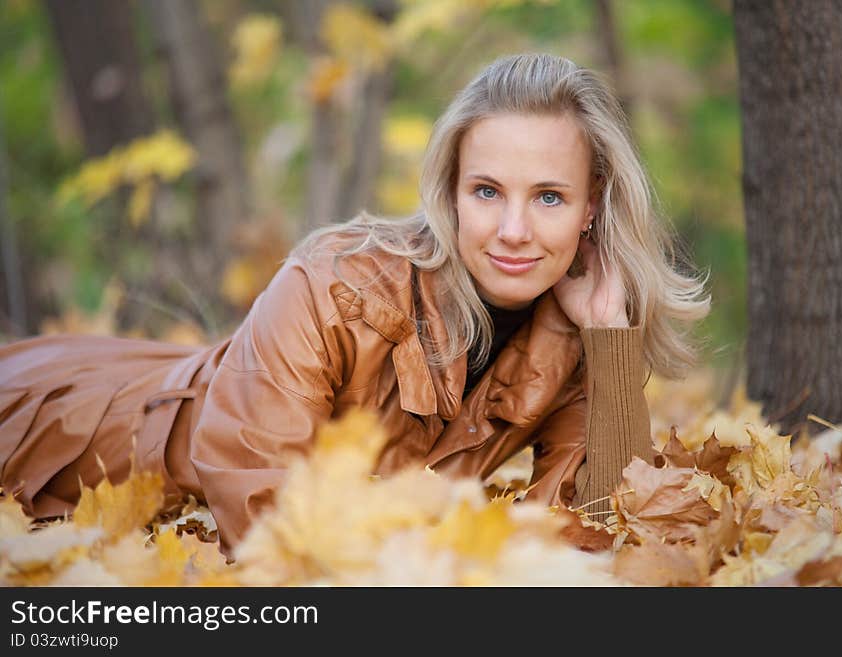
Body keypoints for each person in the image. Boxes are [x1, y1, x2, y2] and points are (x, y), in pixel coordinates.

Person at [0, 53, 710, 557]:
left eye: (548, 197)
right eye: (487, 191)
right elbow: (261, 504)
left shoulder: (582, 327)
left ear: (592, 208)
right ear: (450, 193)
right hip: (73, 433)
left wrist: (612, 345)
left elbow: (603, 531)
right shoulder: (333, 282)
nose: (514, 231)